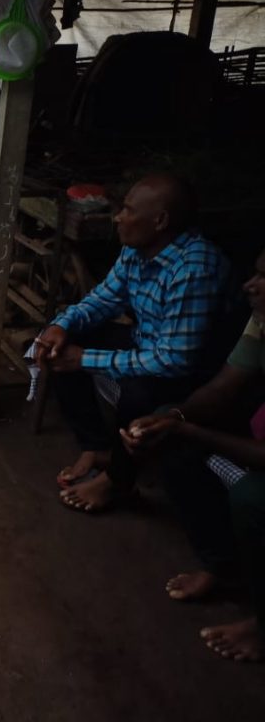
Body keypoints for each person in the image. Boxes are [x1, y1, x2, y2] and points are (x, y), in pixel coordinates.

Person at [34, 174, 240, 512]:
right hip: (148, 344)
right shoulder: (136, 251)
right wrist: (60, 325)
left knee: (138, 390)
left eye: (128, 210)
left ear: (160, 221)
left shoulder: (194, 268)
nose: (118, 217)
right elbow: (102, 300)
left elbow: (174, 360)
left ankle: (119, 482)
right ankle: (98, 445)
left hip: (197, 372)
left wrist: (84, 358)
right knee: (63, 343)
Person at [121, 249, 265, 662]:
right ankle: (221, 566)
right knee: (166, 424)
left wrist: (187, 428)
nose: (249, 285)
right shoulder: (260, 320)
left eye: (264, 279)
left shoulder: (194, 267)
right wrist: (174, 418)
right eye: (255, 273)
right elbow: (224, 386)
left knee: (253, 497)